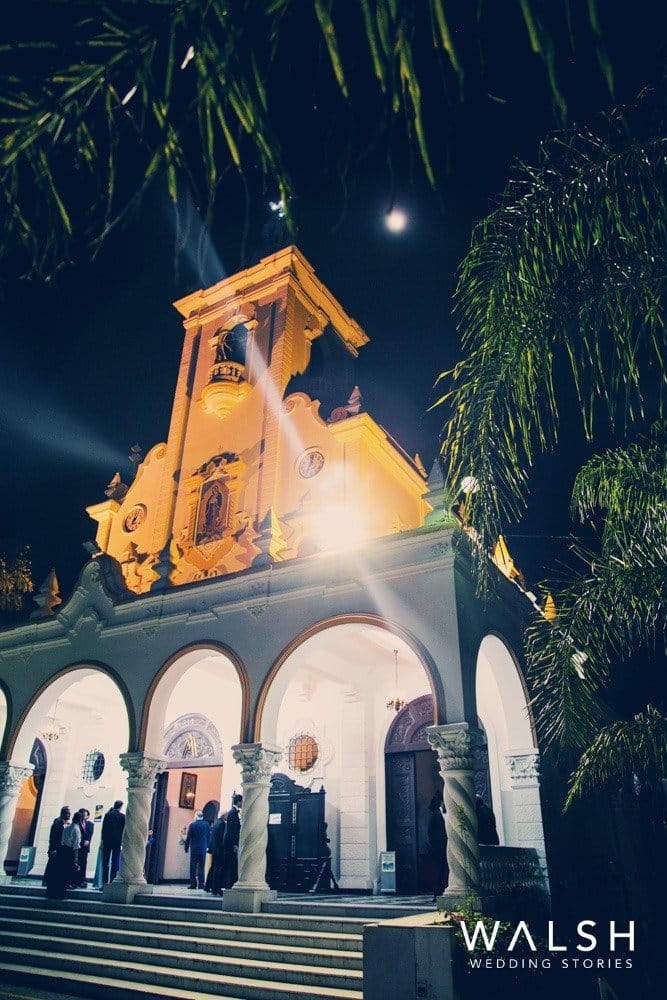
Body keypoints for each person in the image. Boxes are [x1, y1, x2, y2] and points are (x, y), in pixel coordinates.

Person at [45, 810, 81, 899]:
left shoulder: (67, 828)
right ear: (80, 820)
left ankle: (53, 893)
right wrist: (76, 859)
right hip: (69, 852)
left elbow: (62, 841)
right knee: (65, 874)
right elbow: (76, 845)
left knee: (59, 873)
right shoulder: (76, 829)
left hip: (62, 850)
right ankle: (61, 894)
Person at [427, 793, 448, 902]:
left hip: (449, 847)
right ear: (442, 803)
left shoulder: (449, 814)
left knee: (448, 871)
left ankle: (447, 891)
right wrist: (434, 846)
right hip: (439, 849)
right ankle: (437, 894)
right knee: (439, 871)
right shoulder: (435, 815)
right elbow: (430, 832)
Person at [42, 806, 70, 886]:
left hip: (60, 847)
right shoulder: (57, 822)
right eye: (68, 814)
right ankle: (46, 880)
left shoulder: (64, 822)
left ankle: (50, 880)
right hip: (56, 847)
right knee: (51, 864)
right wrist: (53, 848)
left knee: (55, 864)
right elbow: (55, 837)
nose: (69, 816)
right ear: (64, 813)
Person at [184, 810, 211, 889]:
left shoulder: (192, 825)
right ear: (202, 816)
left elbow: (189, 837)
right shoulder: (206, 825)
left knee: (193, 866)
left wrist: (186, 847)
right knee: (202, 866)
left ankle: (193, 884)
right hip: (203, 848)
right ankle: (201, 884)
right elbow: (208, 836)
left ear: (196, 816)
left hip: (194, 848)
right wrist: (208, 847)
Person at [101, 800, 125, 883]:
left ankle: (104, 881)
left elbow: (104, 829)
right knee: (115, 862)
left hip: (107, 841)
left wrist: (102, 840)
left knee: (105, 862)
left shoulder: (108, 815)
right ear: (121, 807)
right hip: (117, 842)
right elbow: (123, 830)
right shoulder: (122, 816)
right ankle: (112, 880)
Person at [222, 794, 242, 888]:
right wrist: (234, 844)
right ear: (238, 802)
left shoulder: (232, 812)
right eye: (242, 801)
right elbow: (232, 830)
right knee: (231, 864)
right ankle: (229, 884)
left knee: (231, 864)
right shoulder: (233, 812)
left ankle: (229, 884)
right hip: (230, 844)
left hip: (230, 843)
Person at [208, 813, 226, 896]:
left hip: (215, 849)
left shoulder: (216, 823)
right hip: (219, 850)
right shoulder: (221, 824)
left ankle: (209, 886)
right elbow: (222, 838)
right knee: (218, 869)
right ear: (224, 816)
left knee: (213, 868)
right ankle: (216, 888)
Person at [77, 808, 94, 886]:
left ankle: (82, 880)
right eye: (83, 814)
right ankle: (76, 880)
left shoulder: (90, 824)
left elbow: (90, 834)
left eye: (86, 815)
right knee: (77, 863)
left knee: (84, 863)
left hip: (85, 848)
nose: (84, 816)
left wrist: (88, 840)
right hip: (78, 847)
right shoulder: (77, 824)